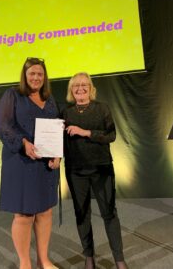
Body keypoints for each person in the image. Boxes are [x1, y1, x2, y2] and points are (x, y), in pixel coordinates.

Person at [0, 57, 60, 269]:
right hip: (20, 163)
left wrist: (57, 154)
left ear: (45, 77)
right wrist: (23, 143)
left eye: (40, 74)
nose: (36, 77)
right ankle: (25, 262)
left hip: (45, 167)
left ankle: (44, 259)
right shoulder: (12, 95)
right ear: (25, 75)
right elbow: (3, 126)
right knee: (24, 214)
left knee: (45, 212)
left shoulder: (49, 100)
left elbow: (56, 131)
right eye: (32, 73)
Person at [62, 72, 128, 269]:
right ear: (71, 91)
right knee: (82, 214)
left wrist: (86, 132)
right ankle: (89, 257)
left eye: (84, 85)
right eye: (76, 86)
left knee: (109, 213)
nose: (80, 88)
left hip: (102, 169)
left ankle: (119, 259)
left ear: (91, 88)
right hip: (75, 170)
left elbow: (112, 135)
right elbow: (60, 141)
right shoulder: (66, 113)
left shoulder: (102, 108)